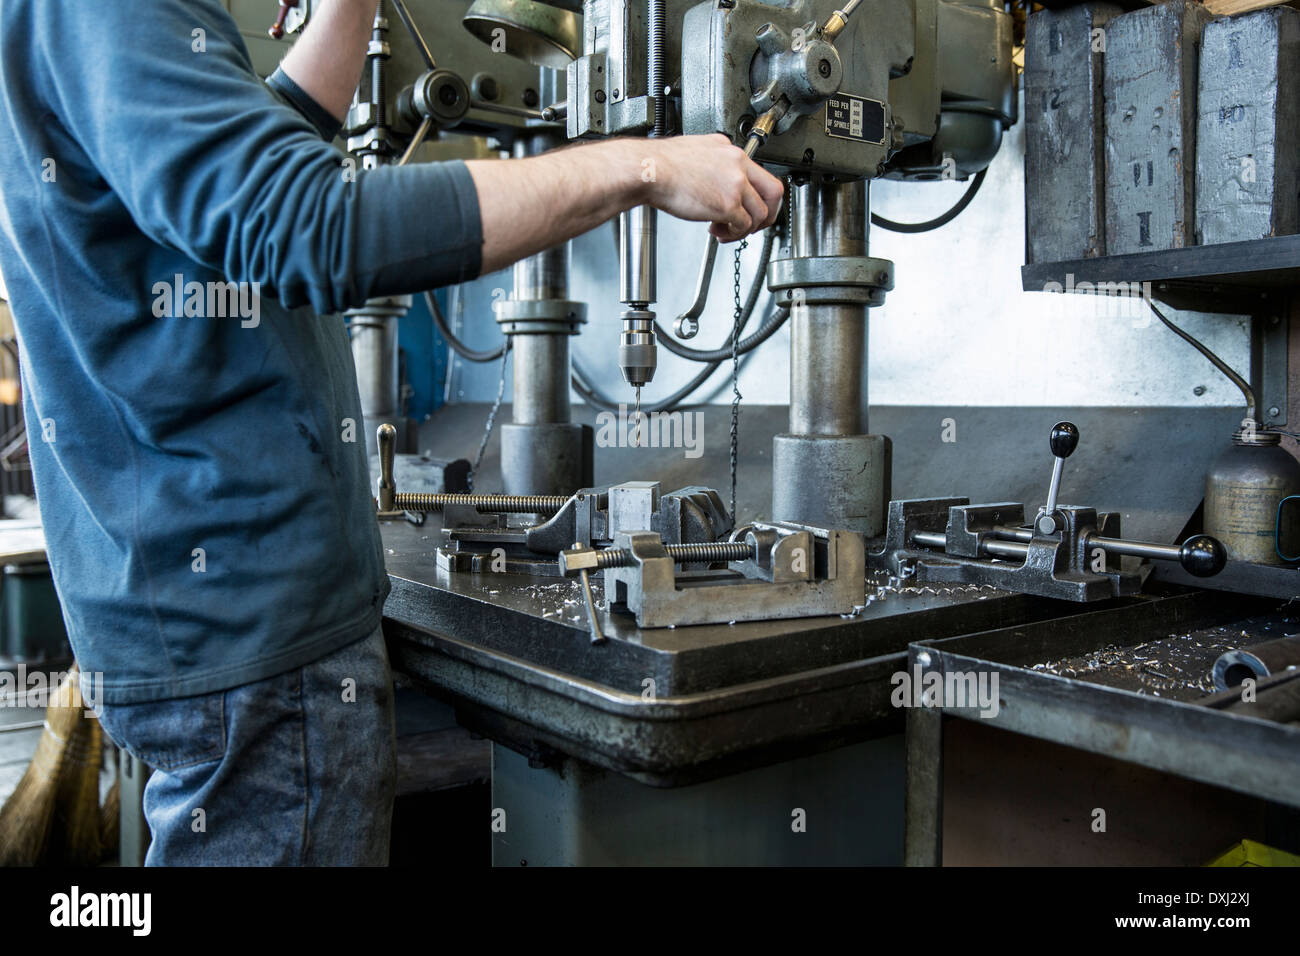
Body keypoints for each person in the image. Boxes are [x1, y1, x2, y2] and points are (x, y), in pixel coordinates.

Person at [0, 0, 782, 864]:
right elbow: (304, 222)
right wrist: (638, 166)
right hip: (248, 635)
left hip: (202, 614)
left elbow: (242, 175)